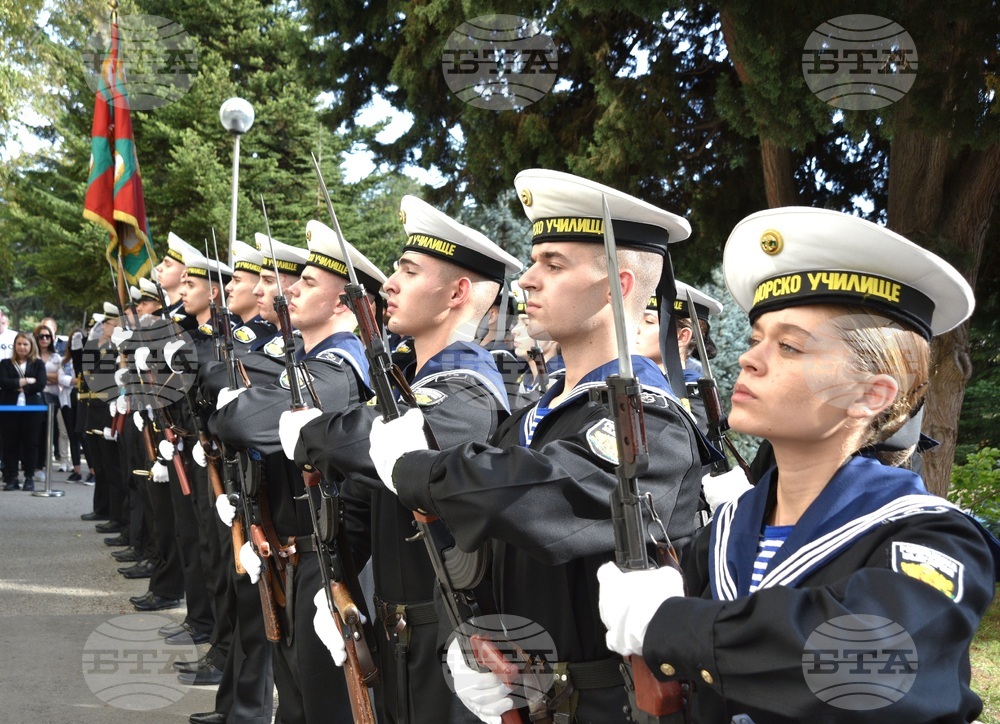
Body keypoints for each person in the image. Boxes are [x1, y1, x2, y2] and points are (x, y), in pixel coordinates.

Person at [597, 207, 1000, 722]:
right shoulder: (721, 536)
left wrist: (674, 625)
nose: (750, 359)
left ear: (870, 395)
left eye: (789, 345)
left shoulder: (932, 540)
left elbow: (868, 660)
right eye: (755, 339)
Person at [363, 170, 711, 722]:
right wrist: (464, 642)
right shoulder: (535, 418)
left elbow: (532, 500)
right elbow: (471, 555)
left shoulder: (646, 420)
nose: (526, 280)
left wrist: (416, 468)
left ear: (617, 286)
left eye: (553, 264)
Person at [290, 197, 522, 724]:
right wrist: (336, 586)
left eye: (408, 271)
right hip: (397, 639)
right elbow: (361, 505)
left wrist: (307, 432)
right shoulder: (408, 381)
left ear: (457, 293)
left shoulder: (466, 391)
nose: (389, 283)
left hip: (449, 646)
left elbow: (364, 441)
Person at [210, 223, 386, 724]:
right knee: (295, 703)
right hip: (291, 554)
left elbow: (241, 419)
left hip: (330, 561)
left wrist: (236, 411)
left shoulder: (338, 369)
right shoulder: (307, 364)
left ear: (344, 306)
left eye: (307, 282)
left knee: (327, 705)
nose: (288, 290)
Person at [635, 281, 723, 433]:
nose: (635, 329)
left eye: (649, 321)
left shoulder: (697, 396)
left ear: (681, 337)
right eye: (636, 319)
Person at [1, 332, 47, 491]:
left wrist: (17, 385)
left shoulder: (38, 364)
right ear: (15, 346)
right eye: (19, 344)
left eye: (25, 344)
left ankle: (29, 477)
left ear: (31, 346)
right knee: (10, 442)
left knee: (31, 443)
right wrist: (26, 381)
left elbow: (40, 384)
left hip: (33, 409)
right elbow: (3, 383)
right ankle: (11, 477)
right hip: (9, 408)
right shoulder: (5, 363)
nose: (22, 347)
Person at [34, 323, 62, 476]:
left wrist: (41, 377)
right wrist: (46, 378)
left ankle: (41, 465)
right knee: (34, 432)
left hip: (52, 397)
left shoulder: (56, 357)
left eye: (48, 336)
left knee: (47, 433)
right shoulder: (32, 355)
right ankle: (33, 465)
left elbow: (60, 377)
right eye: (41, 336)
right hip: (34, 397)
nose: (44, 339)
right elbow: (29, 376)